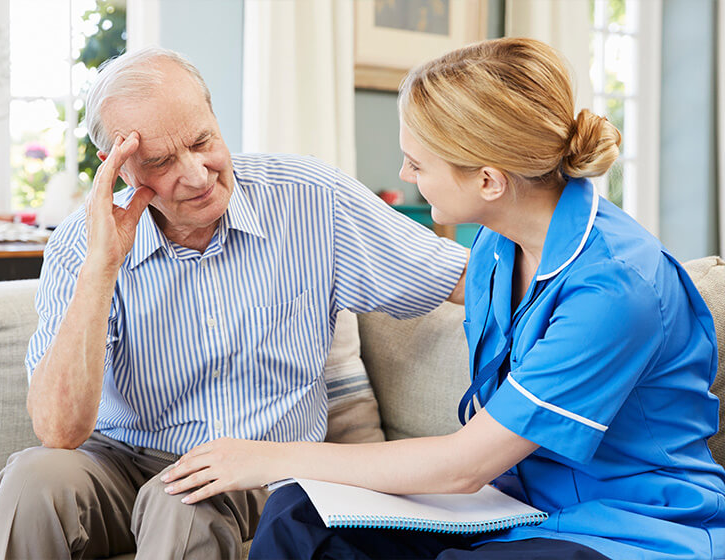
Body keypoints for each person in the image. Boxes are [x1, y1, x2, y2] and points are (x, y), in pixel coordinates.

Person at [163, 37, 725, 559]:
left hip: (624, 524)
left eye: (419, 162)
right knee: (300, 516)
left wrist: (267, 456)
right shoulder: (495, 248)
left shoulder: (617, 287)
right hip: (514, 504)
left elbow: (464, 464)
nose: (404, 173)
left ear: (488, 180)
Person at [0, 46, 468, 560]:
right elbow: (59, 431)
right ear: (119, 168)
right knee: (35, 478)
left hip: (255, 468)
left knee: (184, 499)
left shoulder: (310, 200)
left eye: (201, 141)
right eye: (162, 162)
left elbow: (461, 275)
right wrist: (102, 265)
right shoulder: (82, 242)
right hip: (120, 462)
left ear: (215, 118)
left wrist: (560, 280)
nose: (196, 174)